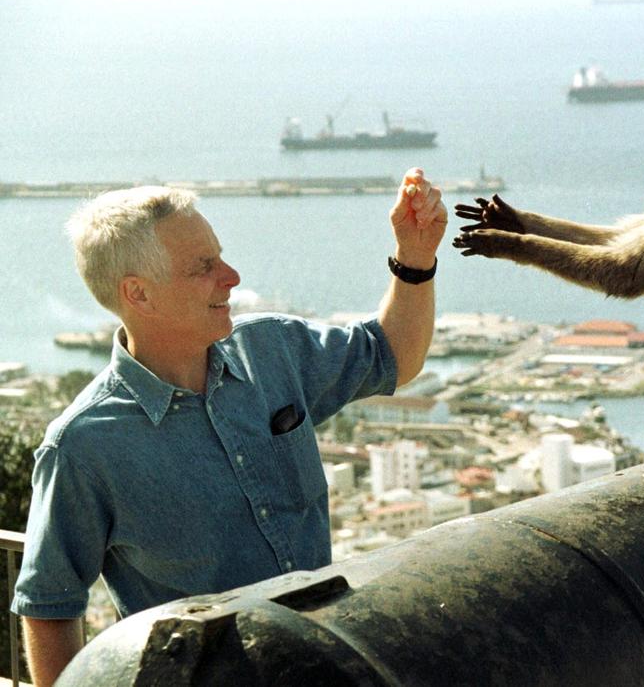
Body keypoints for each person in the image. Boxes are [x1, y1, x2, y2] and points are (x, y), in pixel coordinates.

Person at [9, 168, 447, 685]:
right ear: (139, 294)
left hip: (327, 665)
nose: (232, 276)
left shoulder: (272, 350)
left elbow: (393, 354)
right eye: (204, 267)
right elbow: (49, 605)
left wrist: (415, 258)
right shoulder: (83, 445)